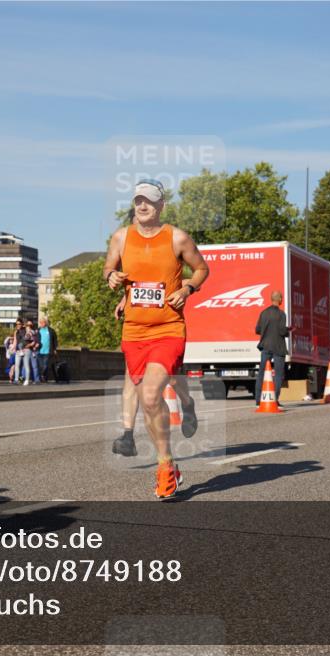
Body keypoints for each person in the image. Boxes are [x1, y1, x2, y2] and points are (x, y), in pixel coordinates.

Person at [103, 179, 208, 498]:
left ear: (161, 205)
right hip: (134, 332)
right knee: (149, 404)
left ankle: (164, 469)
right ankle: (170, 462)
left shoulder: (177, 238)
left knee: (149, 396)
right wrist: (112, 277)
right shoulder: (121, 237)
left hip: (168, 329)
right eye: (138, 201)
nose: (143, 206)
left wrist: (187, 288)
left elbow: (202, 269)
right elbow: (108, 266)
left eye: (149, 201)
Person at [254, 290, 289, 406]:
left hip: (265, 346)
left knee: (262, 373)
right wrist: (289, 330)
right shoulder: (281, 314)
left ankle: (258, 399)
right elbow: (282, 331)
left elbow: (257, 330)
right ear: (279, 299)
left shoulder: (263, 313)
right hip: (278, 347)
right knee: (278, 374)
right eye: (281, 298)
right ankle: (274, 398)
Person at [37, 316, 58, 383]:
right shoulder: (38, 330)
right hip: (39, 351)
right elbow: (35, 339)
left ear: (45, 323)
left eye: (42, 322)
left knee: (45, 365)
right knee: (41, 366)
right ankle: (44, 378)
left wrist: (55, 349)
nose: (41, 323)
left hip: (47, 351)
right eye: (40, 322)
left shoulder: (51, 330)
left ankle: (42, 376)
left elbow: (55, 340)